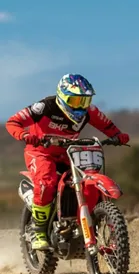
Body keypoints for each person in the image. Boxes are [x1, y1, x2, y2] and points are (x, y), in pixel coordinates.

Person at [5, 73, 130, 250]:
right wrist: (26, 135)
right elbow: (13, 122)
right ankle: (38, 230)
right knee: (47, 182)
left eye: (84, 101)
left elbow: (107, 126)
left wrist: (118, 136)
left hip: (69, 153)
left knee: (88, 179)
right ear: (62, 96)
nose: (81, 107)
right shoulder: (44, 107)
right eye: (75, 101)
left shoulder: (90, 112)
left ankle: (82, 222)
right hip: (39, 152)